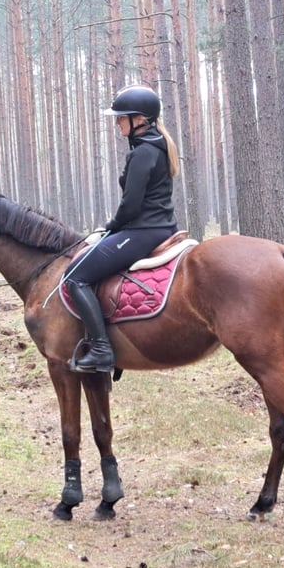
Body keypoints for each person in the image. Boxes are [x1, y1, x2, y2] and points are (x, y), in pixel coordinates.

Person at [64, 84, 180, 373]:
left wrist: (110, 227)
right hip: (159, 227)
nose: (117, 122)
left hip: (142, 231)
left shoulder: (143, 153)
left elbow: (130, 206)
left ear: (140, 118)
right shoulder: (157, 145)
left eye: (121, 117)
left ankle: (102, 350)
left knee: (75, 276)